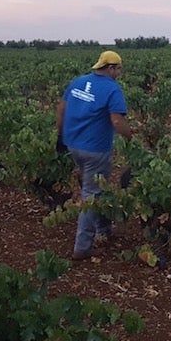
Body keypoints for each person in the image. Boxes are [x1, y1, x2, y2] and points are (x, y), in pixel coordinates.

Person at [56, 50, 133, 260]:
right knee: (91, 195)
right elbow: (117, 121)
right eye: (118, 68)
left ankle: (104, 228)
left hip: (73, 145)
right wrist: (131, 138)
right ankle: (82, 247)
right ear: (110, 68)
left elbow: (62, 108)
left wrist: (60, 136)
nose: (119, 72)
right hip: (95, 149)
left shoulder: (78, 82)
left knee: (98, 188)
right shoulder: (112, 89)